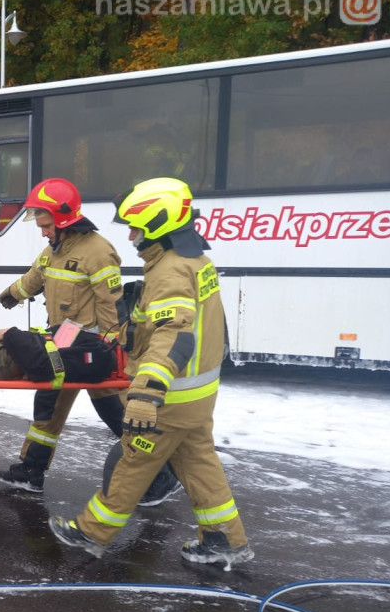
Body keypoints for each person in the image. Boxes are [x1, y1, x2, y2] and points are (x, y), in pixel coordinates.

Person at [49, 177, 253, 567]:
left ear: (158, 224)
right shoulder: (195, 261)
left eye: (136, 227)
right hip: (198, 394)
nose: (130, 236)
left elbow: (173, 337)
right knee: (199, 464)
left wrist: (145, 394)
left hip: (168, 397)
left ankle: (92, 532)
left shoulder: (170, 272)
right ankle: (225, 540)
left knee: (133, 462)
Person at [0, 178, 128, 494]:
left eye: (45, 225)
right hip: (64, 338)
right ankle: (32, 470)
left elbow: (111, 304)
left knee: (115, 412)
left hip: (92, 347)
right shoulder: (54, 249)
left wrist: (110, 347)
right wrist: (12, 294)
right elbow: (35, 278)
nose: (42, 231)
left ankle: (158, 465)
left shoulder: (97, 251)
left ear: (64, 220)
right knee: (49, 400)